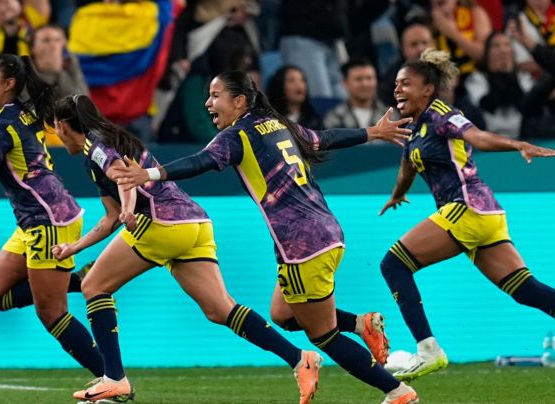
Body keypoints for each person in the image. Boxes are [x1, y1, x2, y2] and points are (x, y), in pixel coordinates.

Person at [113, 70, 420, 404]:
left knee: (324, 335)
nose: (208, 102)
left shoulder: (237, 135)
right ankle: (363, 324)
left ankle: (397, 391)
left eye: (216, 95)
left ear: (240, 101)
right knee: (283, 315)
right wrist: (372, 132)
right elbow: (324, 138)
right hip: (327, 233)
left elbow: (200, 162)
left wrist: (150, 173)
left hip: (302, 245)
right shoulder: (279, 125)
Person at [52, 94, 328, 404]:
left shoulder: (96, 146)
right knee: (220, 309)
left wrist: (130, 209)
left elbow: (122, 181)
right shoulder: (114, 140)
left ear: (62, 126)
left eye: (55, 129)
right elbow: (110, 218)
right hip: (194, 223)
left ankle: (114, 379)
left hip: (161, 223)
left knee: (93, 286)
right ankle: (299, 359)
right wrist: (73, 246)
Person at [378, 48, 555, 381]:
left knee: (393, 263)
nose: (397, 89)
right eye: (396, 84)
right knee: (527, 290)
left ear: (428, 89)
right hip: (480, 216)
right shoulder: (416, 127)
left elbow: (477, 136)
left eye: (405, 83)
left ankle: (428, 349)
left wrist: (516, 144)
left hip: (467, 209)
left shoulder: (443, 115)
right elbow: (408, 162)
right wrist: (398, 194)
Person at [0, 54, 104, 379]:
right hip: (40, 217)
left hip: (46, 220)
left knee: (51, 313)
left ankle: (110, 379)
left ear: (9, 83)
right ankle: (79, 281)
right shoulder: (22, 114)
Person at [323, 58, 388, 130]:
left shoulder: (390, 115)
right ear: (345, 83)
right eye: (358, 79)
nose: (365, 84)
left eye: (369, 78)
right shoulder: (333, 117)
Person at [265, 64, 322, 130]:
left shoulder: (314, 120)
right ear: (279, 86)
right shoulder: (269, 119)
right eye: (292, 81)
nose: (299, 85)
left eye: (302, 80)